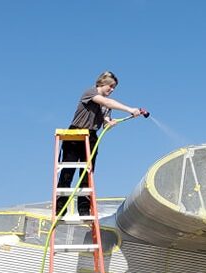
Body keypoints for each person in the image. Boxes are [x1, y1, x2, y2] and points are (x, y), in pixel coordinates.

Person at [56, 71, 145, 217]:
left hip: (91, 136)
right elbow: (106, 102)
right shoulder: (90, 93)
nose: (112, 90)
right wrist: (130, 109)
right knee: (68, 171)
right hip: (75, 134)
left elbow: (105, 123)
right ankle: (60, 208)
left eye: (114, 87)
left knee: (87, 173)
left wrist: (110, 123)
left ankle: (84, 209)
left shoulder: (107, 106)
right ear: (101, 84)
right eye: (110, 86)